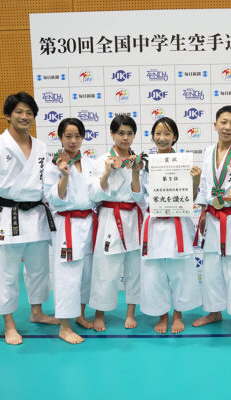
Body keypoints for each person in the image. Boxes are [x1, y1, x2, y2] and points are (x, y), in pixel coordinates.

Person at [0, 91, 59, 345]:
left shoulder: (41, 147)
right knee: (5, 271)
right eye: (19, 112)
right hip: (6, 215)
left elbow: (46, 184)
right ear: (8, 115)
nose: (25, 117)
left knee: (39, 268)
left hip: (37, 216)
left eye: (29, 113)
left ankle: (37, 312)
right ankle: (9, 323)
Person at [130, 117, 202, 334]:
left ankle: (178, 315)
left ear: (175, 137)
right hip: (154, 224)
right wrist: (135, 171)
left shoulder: (183, 162)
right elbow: (137, 197)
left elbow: (190, 198)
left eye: (167, 133)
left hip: (176, 223)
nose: (162, 138)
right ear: (152, 136)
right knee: (155, 273)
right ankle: (162, 315)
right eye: (158, 133)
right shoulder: (146, 163)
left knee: (180, 272)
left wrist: (195, 180)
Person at [192, 105, 231, 338]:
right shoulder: (208, 152)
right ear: (215, 124)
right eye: (224, 122)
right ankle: (214, 311)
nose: (227, 127)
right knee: (211, 267)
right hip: (212, 216)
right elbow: (205, 184)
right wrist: (203, 211)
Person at [43, 118, 96, 344]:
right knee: (67, 275)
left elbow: (97, 192)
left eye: (77, 136)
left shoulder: (91, 163)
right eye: (68, 136)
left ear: (83, 137)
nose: (73, 141)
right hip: (68, 224)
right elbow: (53, 198)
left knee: (86, 273)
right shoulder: (52, 165)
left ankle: (80, 314)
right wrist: (64, 174)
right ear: (60, 138)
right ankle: (64, 327)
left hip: (89, 222)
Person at [89, 115, 143, 332]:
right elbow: (94, 195)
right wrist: (107, 172)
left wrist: (136, 172)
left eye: (129, 133)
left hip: (133, 217)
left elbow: (140, 196)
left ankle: (130, 313)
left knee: (134, 269)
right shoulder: (101, 160)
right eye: (121, 133)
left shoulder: (138, 161)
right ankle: (100, 313)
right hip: (109, 217)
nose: (125, 138)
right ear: (112, 134)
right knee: (105, 269)